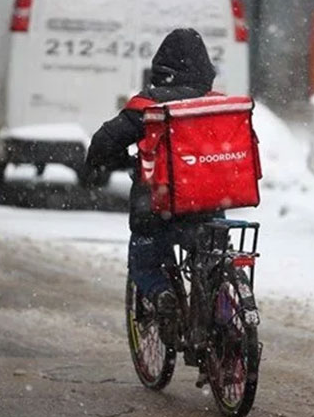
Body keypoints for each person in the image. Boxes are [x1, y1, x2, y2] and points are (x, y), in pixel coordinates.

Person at [84, 28, 219, 343]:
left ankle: (161, 295)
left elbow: (104, 143)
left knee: (144, 256)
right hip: (210, 204)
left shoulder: (149, 106)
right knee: (211, 255)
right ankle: (223, 309)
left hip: (160, 209)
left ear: (161, 68)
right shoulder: (215, 106)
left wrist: (99, 165)